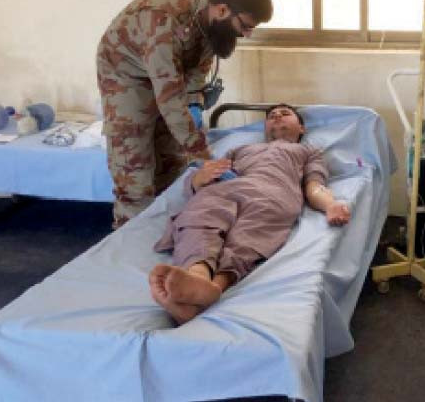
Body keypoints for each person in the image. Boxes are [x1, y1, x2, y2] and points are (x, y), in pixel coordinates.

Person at [96, 0, 273, 229]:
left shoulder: (213, 17)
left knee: (172, 161)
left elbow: (197, 68)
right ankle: (130, 243)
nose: (246, 35)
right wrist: (202, 153)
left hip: (167, 71)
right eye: (245, 26)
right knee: (135, 167)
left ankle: (171, 229)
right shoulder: (164, 21)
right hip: (126, 74)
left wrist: (195, 103)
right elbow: (169, 98)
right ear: (223, 10)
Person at [149, 104, 351, 324]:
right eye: (271, 116)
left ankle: (213, 287)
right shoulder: (240, 150)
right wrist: (199, 178)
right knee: (199, 216)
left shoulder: (308, 151)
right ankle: (197, 277)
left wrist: (330, 205)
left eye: (285, 114)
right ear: (265, 127)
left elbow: (314, 186)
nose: (277, 117)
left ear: (301, 128)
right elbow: (210, 175)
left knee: (246, 236)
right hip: (227, 189)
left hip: (274, 193)